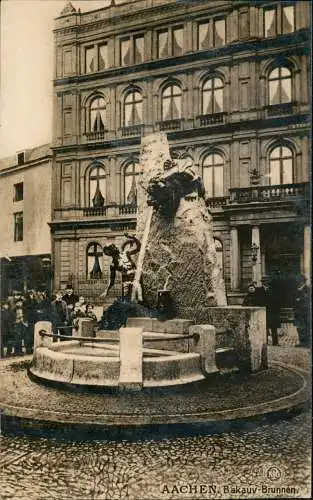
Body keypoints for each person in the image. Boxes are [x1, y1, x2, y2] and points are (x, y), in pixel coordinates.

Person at [294, 275, 310, 347]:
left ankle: (307, 343)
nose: (298, 282)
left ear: (303, 281)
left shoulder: (307, 289)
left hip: (304, 311)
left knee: (305, 327)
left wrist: (300, 299)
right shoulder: (297, 289)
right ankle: (301, 342)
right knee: (299, 327)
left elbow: (307, 299)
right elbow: (294, 298)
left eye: (299, 280)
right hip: (298, 311)